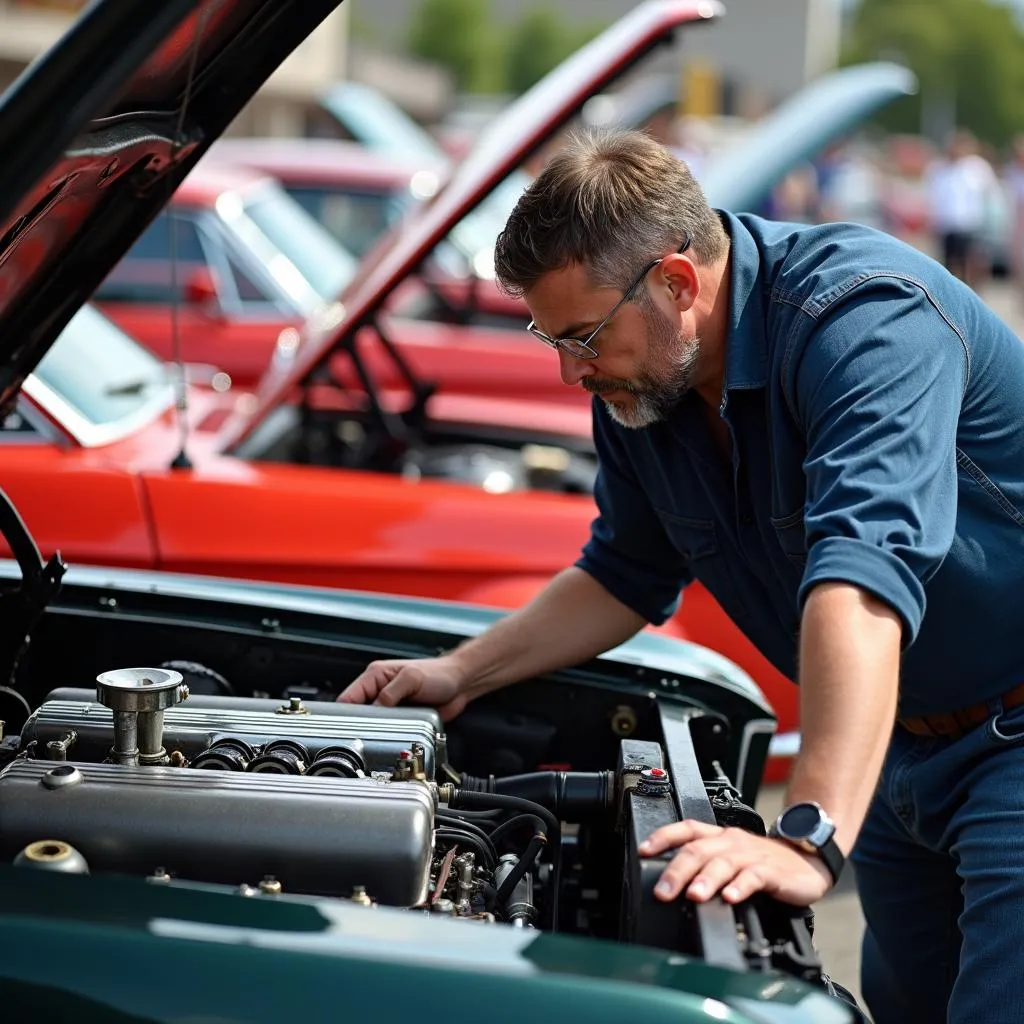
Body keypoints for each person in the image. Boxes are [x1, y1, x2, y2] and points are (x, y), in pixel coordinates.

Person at [339, 128, 1024, 1024]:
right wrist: (462, 670)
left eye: (583, 335)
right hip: (899, 748)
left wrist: (808, 833)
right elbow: (623, 574)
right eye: (550, 336)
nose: (569, 370)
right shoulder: (644, 390)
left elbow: (864, 572)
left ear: (677, 281)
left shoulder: (865, 317)